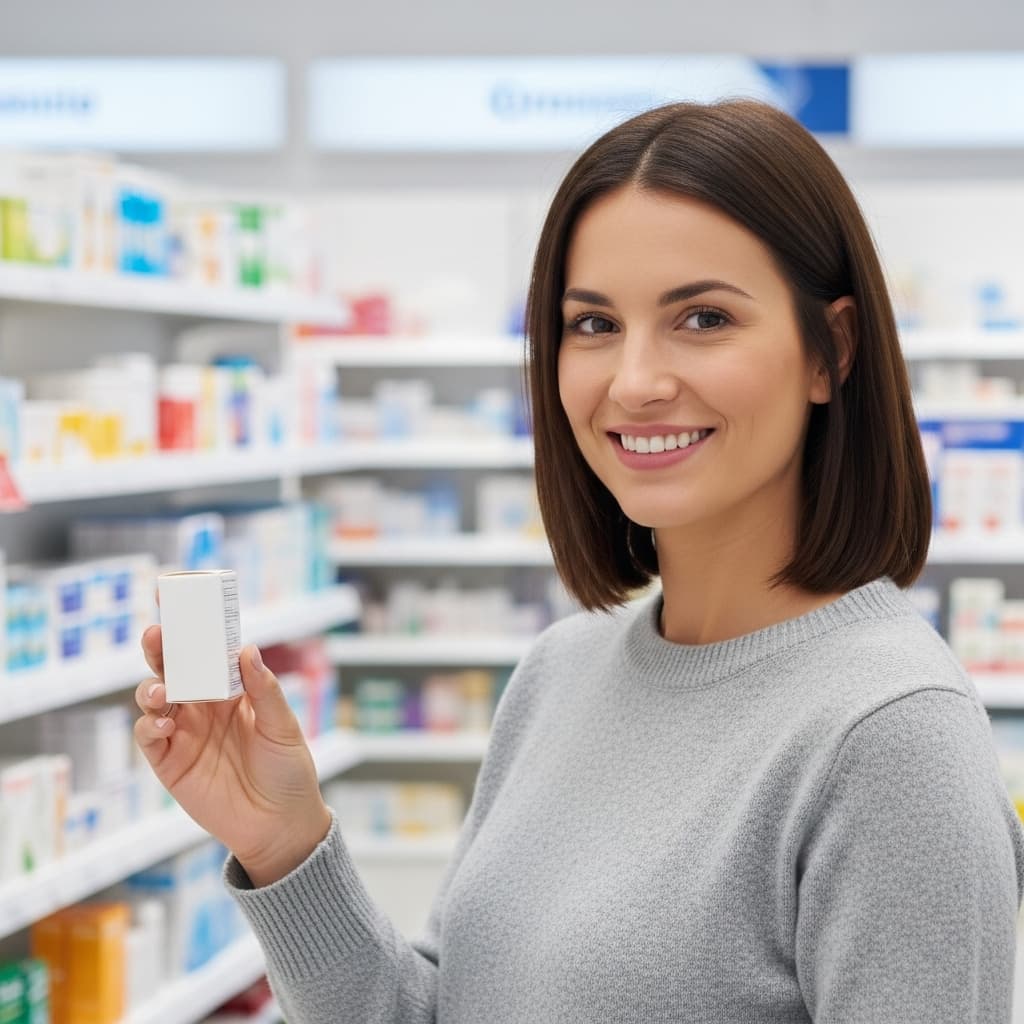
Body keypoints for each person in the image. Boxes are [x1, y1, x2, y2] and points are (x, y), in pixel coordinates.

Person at [134, 99, 1024, 1023]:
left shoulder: (887, 735)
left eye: (704, 318)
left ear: (827, 351)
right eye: (594, 325)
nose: (634, 382)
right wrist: (284, 842)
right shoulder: (561, 671)